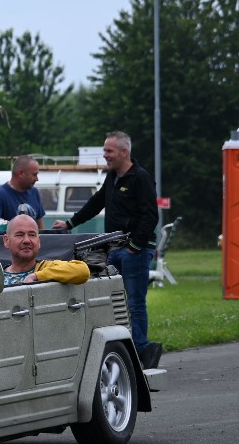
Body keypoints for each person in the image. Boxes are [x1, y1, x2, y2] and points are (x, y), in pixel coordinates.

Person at [52, 130, 162, 369]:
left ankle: (142, 350)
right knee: (115, 302)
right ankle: (134, 349)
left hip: (134, 251)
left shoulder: (140, 178)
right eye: (104, 150)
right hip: (114, 249)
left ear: (124, 152)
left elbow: (151, 215)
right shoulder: (112, 177)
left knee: (134, 303)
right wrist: (70, 223)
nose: (105, 155)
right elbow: (96, 202)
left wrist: (135, 245)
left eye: (109, 151)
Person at [2, 214, 89, 285]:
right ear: (6, 241)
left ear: (39, 241)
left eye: (32, 235)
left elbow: (82, 270)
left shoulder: (47, 267)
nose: (26, 240)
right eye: (20, 235)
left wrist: (37, 276)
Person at [0, 155, 46, 228]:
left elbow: (40, 227)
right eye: (34, 174)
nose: (37, 179)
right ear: (21, 173)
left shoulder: (34, 192)